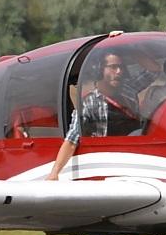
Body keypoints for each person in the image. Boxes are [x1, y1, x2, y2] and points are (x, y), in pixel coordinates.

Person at [46, 51, 140, 180]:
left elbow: (154, 70)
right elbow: (72, 140)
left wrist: (123, 44)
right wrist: (55, 172)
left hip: (136, 157)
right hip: (109, 164)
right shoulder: (89, 103)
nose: (119, 72)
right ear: (99, 70)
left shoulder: (129, 90)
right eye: (113, 67)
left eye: (121, 67)